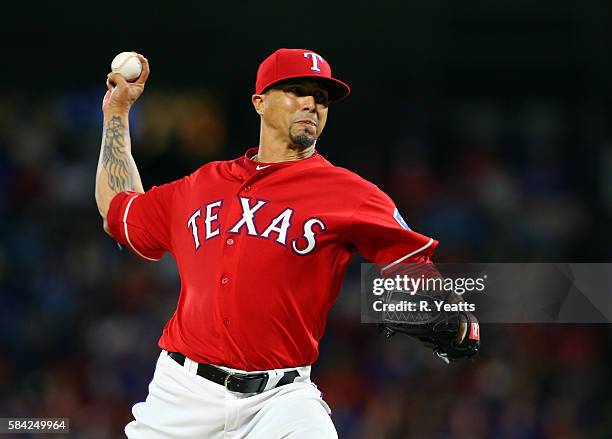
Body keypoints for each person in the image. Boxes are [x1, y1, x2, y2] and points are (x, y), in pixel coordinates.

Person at [95, 48, 475, 438]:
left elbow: (410, 263)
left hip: (280, 401)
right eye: (297, 90)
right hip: (181, 393)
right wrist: (117, 112)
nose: (311, 103)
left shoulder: (348, 192)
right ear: (259, 102)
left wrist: (452, 311)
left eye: (322, 97)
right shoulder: (201, 184)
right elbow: (120, 213)